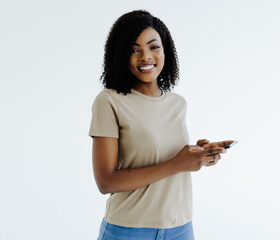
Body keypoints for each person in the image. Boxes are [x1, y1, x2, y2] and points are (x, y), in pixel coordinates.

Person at [89, 10, 235, 240]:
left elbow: (163, 156)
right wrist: (177, 164)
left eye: (153, 47)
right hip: (129, 230)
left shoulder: (178, 104)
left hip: (181, 227)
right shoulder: (110, 101)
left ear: (165, 50)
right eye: (134, 50)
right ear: (121, 55)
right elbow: (106, 181)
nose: (146, 57)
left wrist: (198, 155)